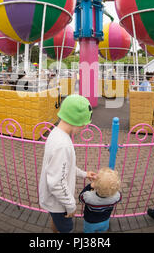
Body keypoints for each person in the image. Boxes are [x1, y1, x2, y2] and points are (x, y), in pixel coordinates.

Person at [39, 94, 97, 233]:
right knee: (67, 228)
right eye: (83, 126)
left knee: (56, 222)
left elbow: (65, 166)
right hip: (59, 204)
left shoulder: (56, 133)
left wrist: (84, 174)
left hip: (55, 202)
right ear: (77, 121)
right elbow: (56, 183)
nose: (82, 128)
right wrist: (71, 205)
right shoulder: (63, 145)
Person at [79, 167, 122, 233]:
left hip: (90, 222)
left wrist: (90, 186)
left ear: (96, 185)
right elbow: (119, 196)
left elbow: (81, 198)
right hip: (105, 220)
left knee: (88, 231)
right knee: (102, 230)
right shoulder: (117, 196)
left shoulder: (89, 197)